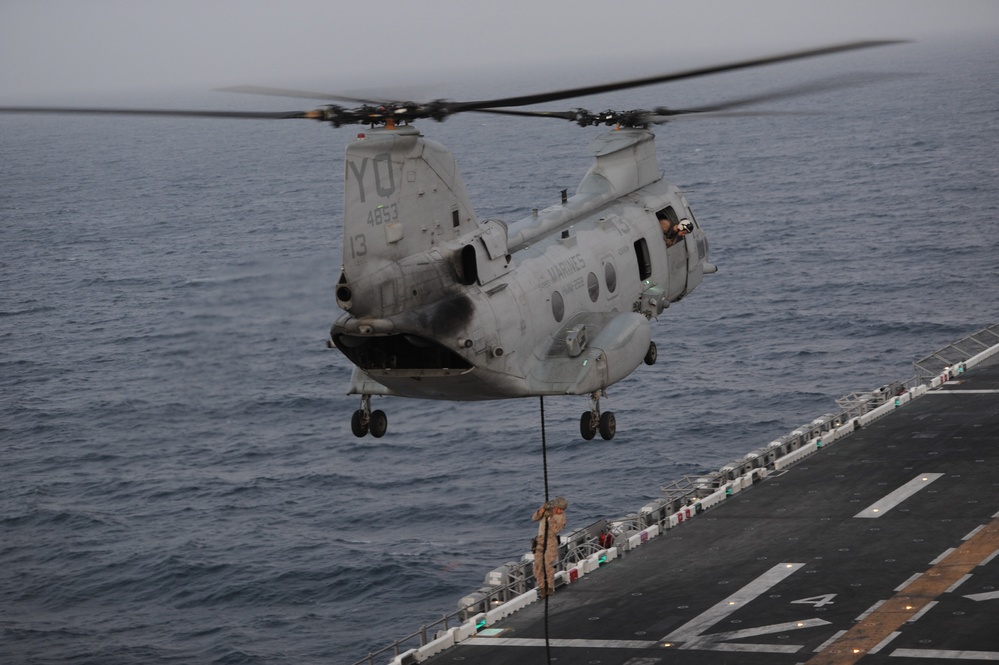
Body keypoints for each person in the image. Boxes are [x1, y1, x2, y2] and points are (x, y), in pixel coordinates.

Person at [532, 496, 568, 598]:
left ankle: (550, 587)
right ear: (555, 506)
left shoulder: (562, 518)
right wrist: (543, 509)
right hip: (540, 539)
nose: (561, 511)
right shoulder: (547, 509)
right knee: (538, 565)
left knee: (547, 564)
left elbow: (555, 530)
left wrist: (549, 519)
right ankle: (542, 588)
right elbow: (534, 518)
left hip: (551, 541)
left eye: (563, 509)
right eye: (560, 509)